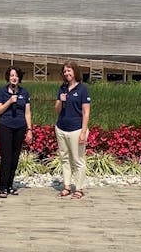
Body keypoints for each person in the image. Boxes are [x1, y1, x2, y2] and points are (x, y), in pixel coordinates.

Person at [54, 61, 91, 199]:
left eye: (69, 71)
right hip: (61, 128)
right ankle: (67, 186)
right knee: (64, 159)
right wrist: (60, 101)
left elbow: (86, 112)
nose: (67, 73)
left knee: (78, 160)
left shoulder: (82, 89)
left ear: (75, 72)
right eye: (64, 71)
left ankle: (79, 188)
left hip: (76, 129)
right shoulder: (62, 88)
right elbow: (57, 110)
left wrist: (83, 132)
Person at [0, 66, 32, 198]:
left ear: (19, 78)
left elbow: (27, 113)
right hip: (6, 126)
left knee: (15, 157)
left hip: (20, 127)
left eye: (16, 75)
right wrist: (10, 101)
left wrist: (29, 130)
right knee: (6, 157)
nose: (14, 78)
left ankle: (10, 185)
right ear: (8, 78)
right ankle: (3, 187)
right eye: (11, 75)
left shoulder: (24, 93)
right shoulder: (2, 92)